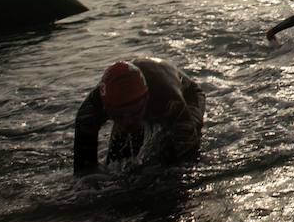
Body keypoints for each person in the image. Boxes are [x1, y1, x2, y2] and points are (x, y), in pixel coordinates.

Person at [73, 59, 206, 178]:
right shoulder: (90, 111)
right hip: (148, 100)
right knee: (117, 163)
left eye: (133, 113)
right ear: (106, 109)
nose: (127, 122)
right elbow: (83, 172)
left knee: (172, 157)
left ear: (147, 100)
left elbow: (189, 160)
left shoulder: (170, 101)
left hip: (188, 97)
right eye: (118, 116)